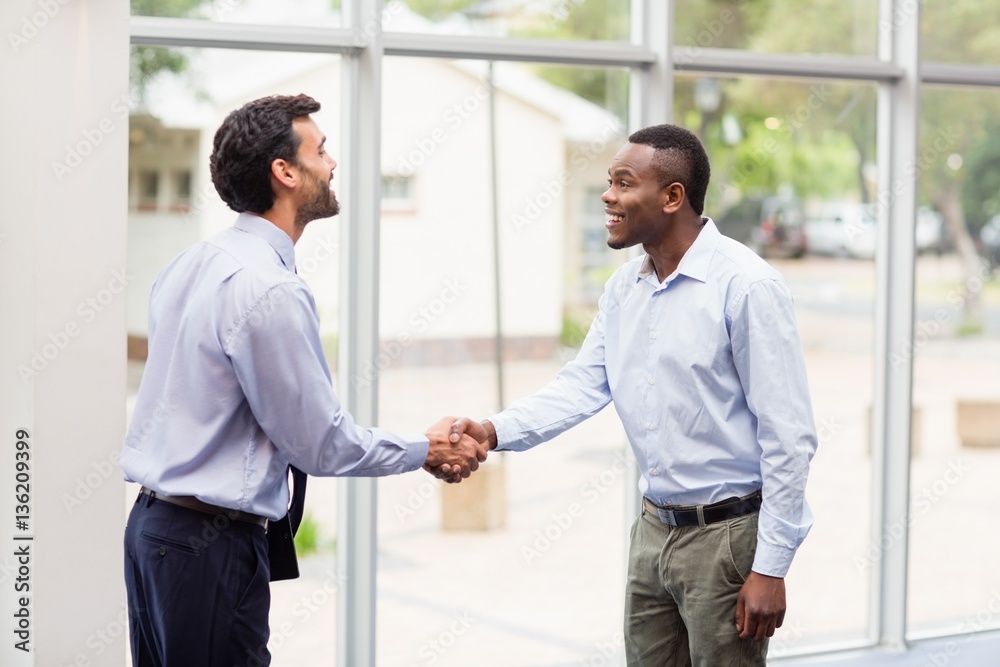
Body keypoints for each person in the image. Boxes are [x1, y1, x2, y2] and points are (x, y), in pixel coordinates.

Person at [121, 93, 487, 667]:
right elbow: (319, 442)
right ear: (284, 172)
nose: (333, 163)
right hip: (207, 547)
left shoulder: (192, 262)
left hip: (153, 532)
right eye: (321, 150)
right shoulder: (269, 290)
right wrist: (428, 448)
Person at [442, 123, 817, 665]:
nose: (607, 195)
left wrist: (771, 567)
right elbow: (581, 386)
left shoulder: (747, 287)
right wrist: (492, 431)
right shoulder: (625, 288)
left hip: (728, 541)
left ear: (672, 197)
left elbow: (790, 438)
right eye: (609, 182)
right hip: (652, 532)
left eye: (622, 182)